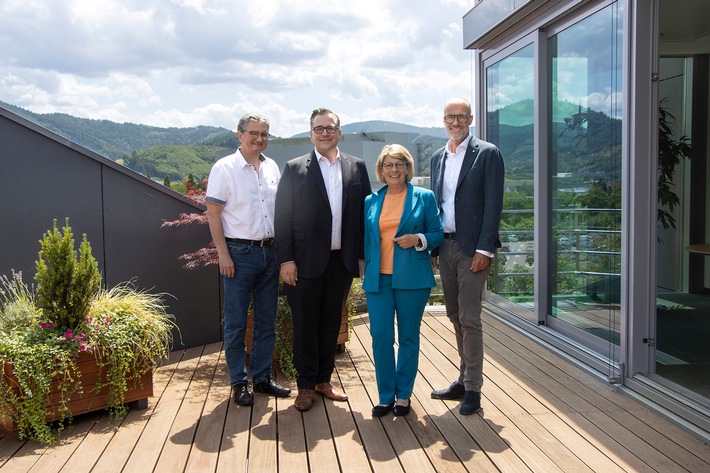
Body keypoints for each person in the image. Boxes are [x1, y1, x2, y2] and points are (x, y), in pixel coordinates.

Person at [275, 108, 371, 412]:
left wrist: (361, 258)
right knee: (304, 325)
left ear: (339, 132)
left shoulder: (357, 167)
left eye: (330, 128)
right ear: (310, 133)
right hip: (303, 263)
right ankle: (305, 385)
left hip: (341, 262)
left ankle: (323, 380)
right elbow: (283, 216)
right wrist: (286, 259)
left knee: (331, 324)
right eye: (319, 129)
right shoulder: (294, 168)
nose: (325, 133)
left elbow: (364, 217)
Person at [205, 112, 291, 406]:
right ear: (239, 135)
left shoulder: (272, 168)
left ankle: (263, 378)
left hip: (270, 253)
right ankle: (239, 383)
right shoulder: (225, 168)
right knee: (236, 324)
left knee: (267, 321)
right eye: (253, 133)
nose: (259, 139)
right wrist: (223, 254)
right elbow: (213, 213)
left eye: (264, 134)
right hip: (239, 255)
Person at [429, 97, 504, 415]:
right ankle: (462, 379)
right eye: (450, 117)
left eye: (461, 117)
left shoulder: (487, 153)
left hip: (473, 249)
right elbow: (436, 205)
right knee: (454, 316)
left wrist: (484, 249)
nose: (455, 122)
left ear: (470, 118)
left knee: (470, 319)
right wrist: (432, 246)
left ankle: (473, 389)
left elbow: (493, 203)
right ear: (443, 120)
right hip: (444, 246)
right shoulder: (437, 157)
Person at [363, 144, 444, 417]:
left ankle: (403, 396)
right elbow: (367, 241)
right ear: (381, 170)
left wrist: (418, 239)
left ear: (408, 168)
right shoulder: (370, 201)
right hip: (378, 280)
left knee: (408, 337)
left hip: (412, 278)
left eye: (399, 164)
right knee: (380, 337)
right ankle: (385, 396)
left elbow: (437, 233)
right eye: (388, 165)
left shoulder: (424, 196)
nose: (394, 170)